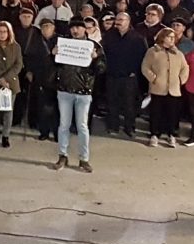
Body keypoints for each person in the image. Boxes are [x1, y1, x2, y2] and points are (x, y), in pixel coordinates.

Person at [52, 18, 105, 173]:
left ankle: (84, 159)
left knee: (82, 126)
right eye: (73, 28)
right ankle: (63, 155)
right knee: (63, 125)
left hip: (83, 91)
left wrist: (95, 60)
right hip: (65, 90)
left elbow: (101, 69)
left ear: (85, 30)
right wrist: (52, 54)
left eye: (79, 28)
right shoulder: (64, 44)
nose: (75, 30)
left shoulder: (94, 46)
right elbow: (54, 65)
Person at [141, 28, 190, 148]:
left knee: (172, 113)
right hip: (158, 88)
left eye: (174, 37)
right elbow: (145, 67)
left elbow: (185, 68)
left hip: (174, 89)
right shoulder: (153, 51)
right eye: (170, 37)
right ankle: (154, 134)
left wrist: (180, 80)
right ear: (162, 37)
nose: (172, 39)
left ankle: (171, 134)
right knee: (156, 112)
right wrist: (154, 79)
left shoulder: (178, 53)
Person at [101, 12, 147, 137]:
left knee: (129, 104)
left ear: (128, 21)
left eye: (121, 19)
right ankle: (113, 126)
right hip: (112, 75)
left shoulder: (138, 38)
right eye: (117, 19)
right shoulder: (108, 36)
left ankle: (129, 127)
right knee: (112, 102)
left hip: (129, 77)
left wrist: (134, 72)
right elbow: (103, 54)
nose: (118, 22)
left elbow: (142, 57)